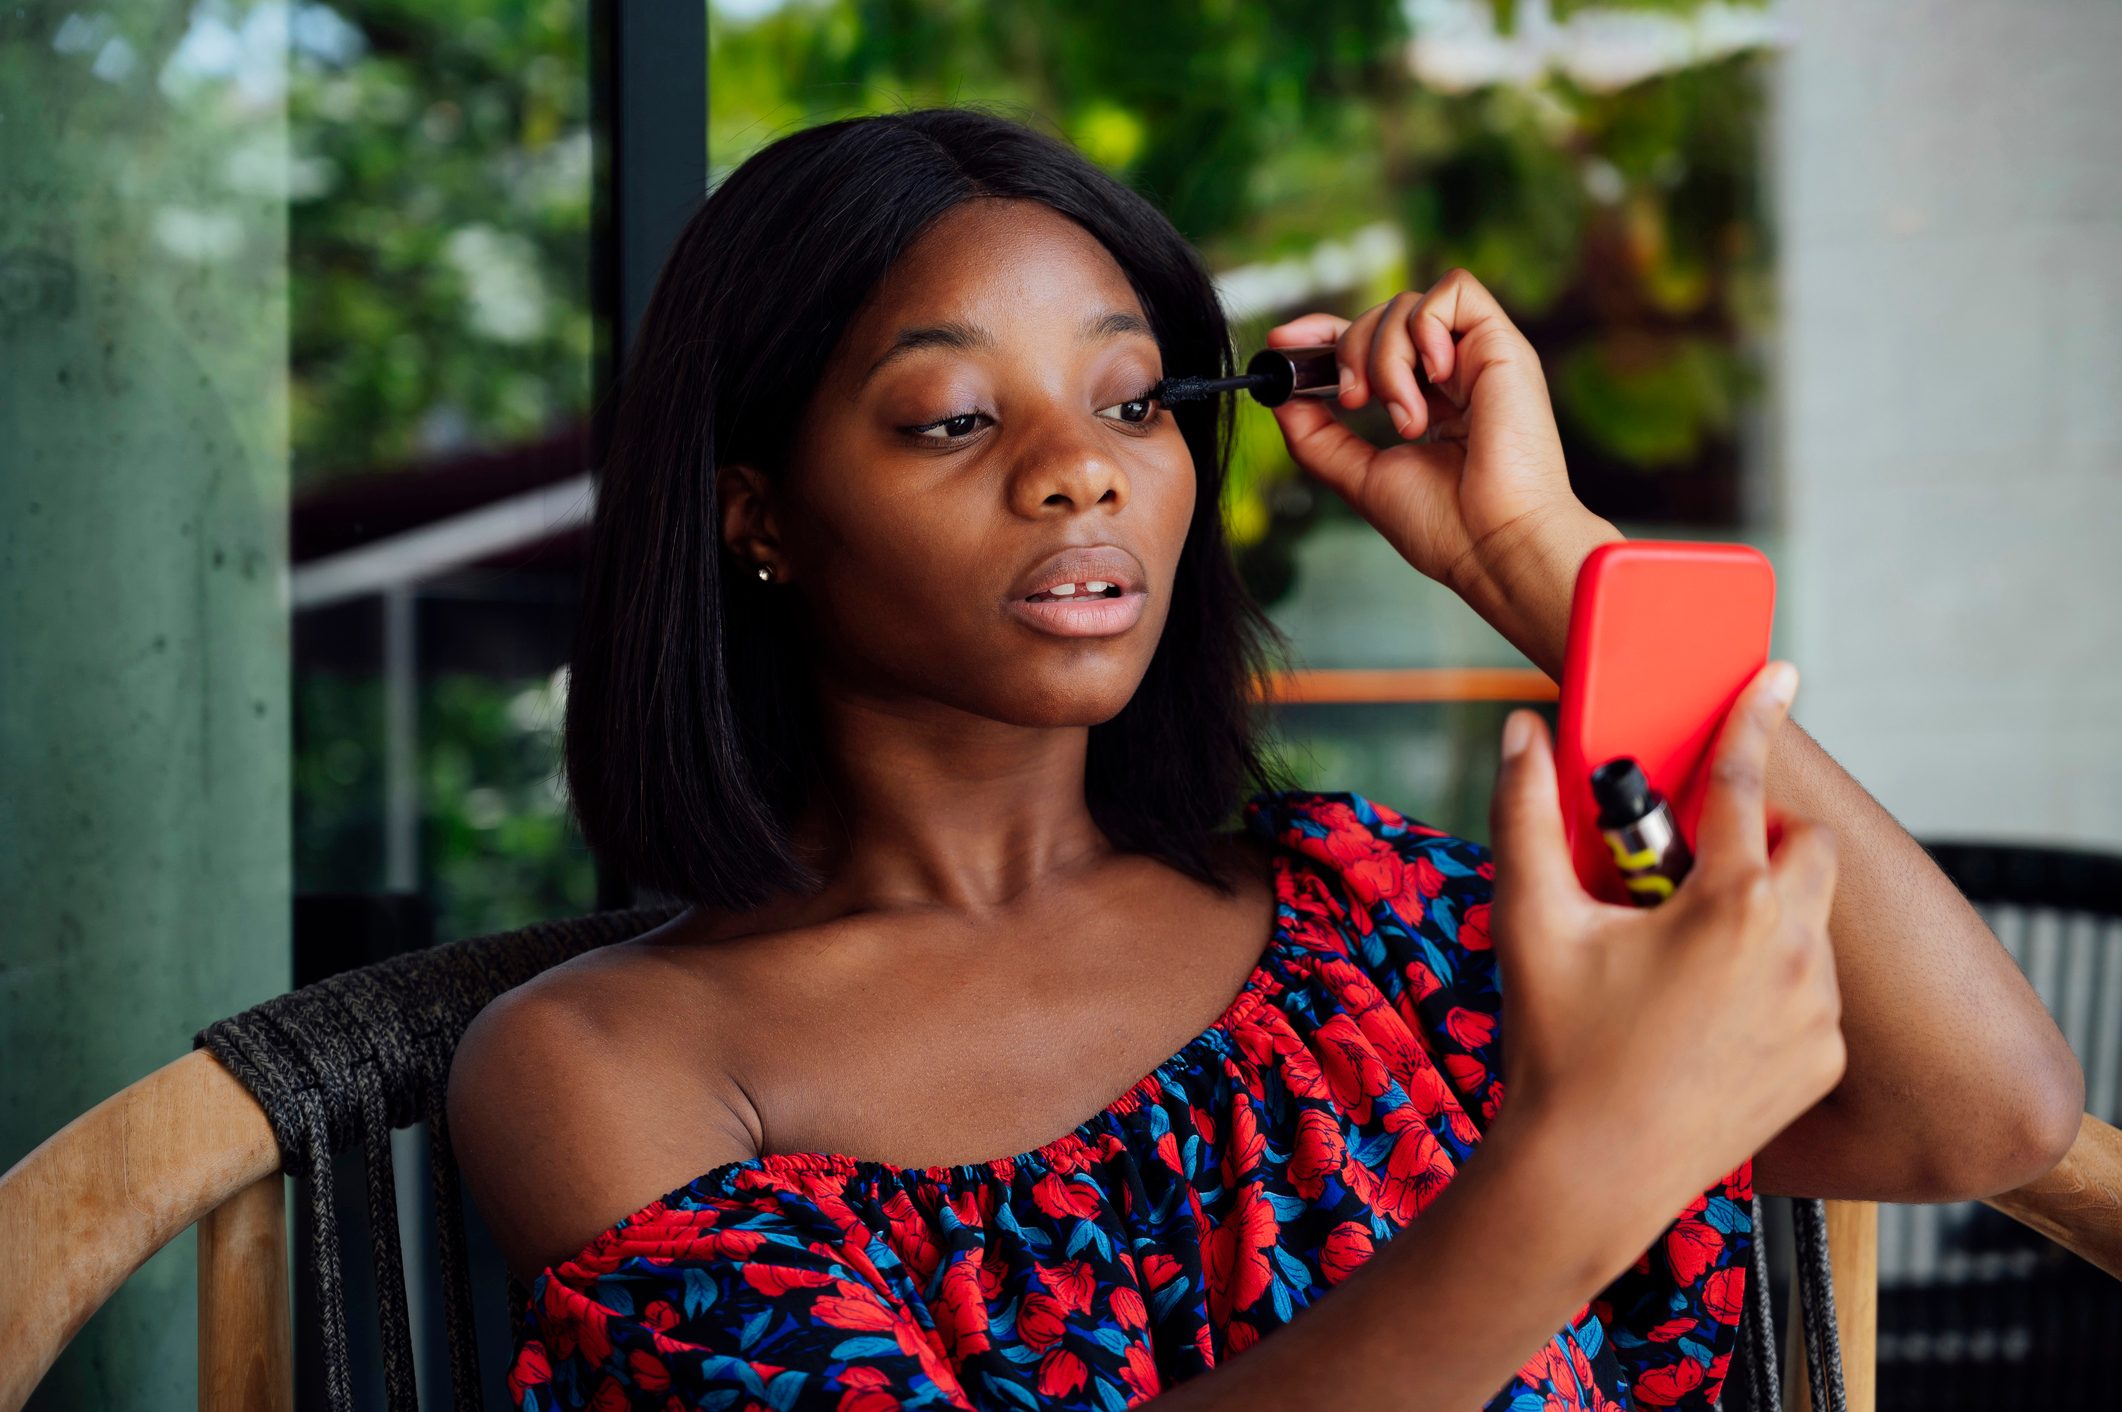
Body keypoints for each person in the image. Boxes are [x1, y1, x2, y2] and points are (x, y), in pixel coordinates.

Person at [446, 105, 2083, 1411]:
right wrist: (1571, 1177)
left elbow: (1980, 1109)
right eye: (953, 417)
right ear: (760, 516)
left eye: (1134, 404)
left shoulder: (1357, 926)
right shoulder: (608, 1072)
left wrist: (1540, 559)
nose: (1079, 473)